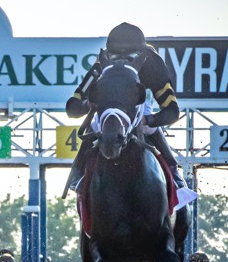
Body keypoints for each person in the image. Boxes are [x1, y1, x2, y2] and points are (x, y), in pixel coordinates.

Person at [65, 22, 184, 191]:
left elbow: (172, 111)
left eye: (131, 56)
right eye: (115, 57)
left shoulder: (152, 64)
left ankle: (174, 175)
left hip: (137, 111)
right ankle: (77, 175)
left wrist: (147, 119)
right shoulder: (102, 64)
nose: (121, 62)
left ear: (142, 55)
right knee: (94, 124)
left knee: (150, 129)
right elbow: (72, 108)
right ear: (108, 54)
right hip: (107, 112)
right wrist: (87, 104)